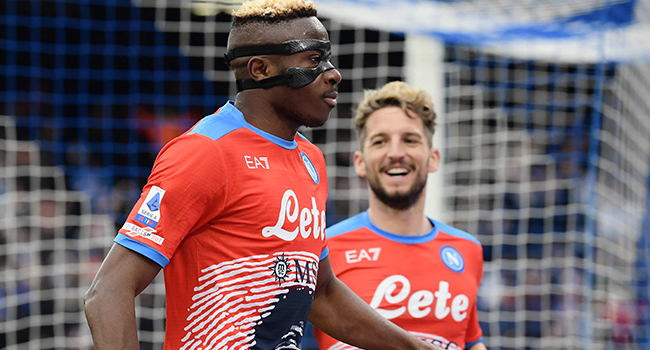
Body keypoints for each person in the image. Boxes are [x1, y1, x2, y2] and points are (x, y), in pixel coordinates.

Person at [83, 1, 444, 349]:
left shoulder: (311, 161)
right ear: (260, 70)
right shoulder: (205, 151)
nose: (333, 74)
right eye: (314, 60)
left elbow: (323, 294)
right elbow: (108, 292)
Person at [313, 81, 487, 350]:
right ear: (360, 161)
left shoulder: (467, 250)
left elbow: (472, 342)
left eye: (410, 140)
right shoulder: (321, 248)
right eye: (380, 141)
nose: (395, 153)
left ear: (433, 158)